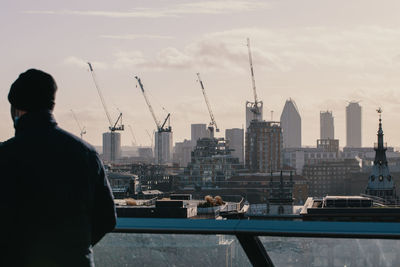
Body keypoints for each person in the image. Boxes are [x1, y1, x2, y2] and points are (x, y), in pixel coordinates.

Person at [0, 69, 116, 266]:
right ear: (51, 105)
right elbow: (107, 218)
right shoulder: (86, 153)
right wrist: (74, 247)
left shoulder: (5, 156)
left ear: (17, 109)